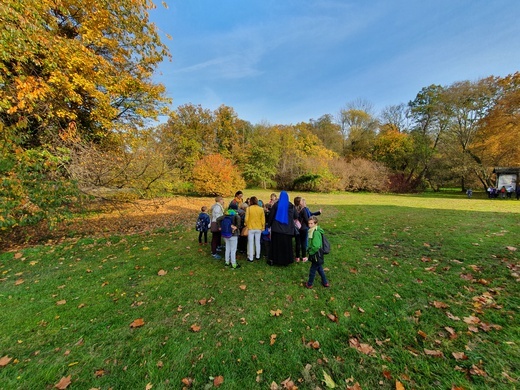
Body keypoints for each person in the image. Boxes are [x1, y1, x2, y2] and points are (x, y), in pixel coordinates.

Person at [267, 191, 298, 266]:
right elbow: (296, 216)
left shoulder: (276, 205)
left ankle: (275, 260)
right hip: (288, 230)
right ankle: (286, 261)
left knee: (276, 246)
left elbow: (271, 216)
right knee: (286, 246)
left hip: (277, 229)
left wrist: (269, 225)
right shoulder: (291, 206)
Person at [294, 197, 322, 263]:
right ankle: (304, 257)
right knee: (303, 242)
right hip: (303, 228)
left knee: (297, 243)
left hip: (296, 228)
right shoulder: (303, 210)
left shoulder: (294, 209)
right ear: (300, 202)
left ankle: (297, 257)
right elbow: (307, 220)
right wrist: (309, 225)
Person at [305, 216, 329, 288]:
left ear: (316, 224)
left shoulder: (315, 233)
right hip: (317, 255)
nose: (310, 225)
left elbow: (316, 246)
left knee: (312, 270)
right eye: (309, 223)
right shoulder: (312, 231)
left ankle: (309, 284)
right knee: (319, 268)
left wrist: (311, 252)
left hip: (316, 254)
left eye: (312, 223)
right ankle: (325, 282)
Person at [244, 196, 265, 262]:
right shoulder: (261, 209)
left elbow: (246, 218)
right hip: (259, 228)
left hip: (251, 227)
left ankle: (251, 257)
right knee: (258, 242)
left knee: (250, 243)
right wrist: (263, 227)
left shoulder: (248, 208)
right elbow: (263, 219)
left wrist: (246, 224)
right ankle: (258, 256)